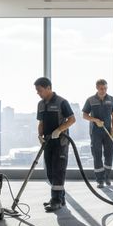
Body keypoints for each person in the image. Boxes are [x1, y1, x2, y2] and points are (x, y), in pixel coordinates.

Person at [34, 77, 76, 212]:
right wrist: (40, 136)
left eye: (40, 90)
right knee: (50, 172)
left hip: (60, 142)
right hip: (47, 142)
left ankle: (56, 199)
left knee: (58, 170)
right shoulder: (40, 104)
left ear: (48, 88)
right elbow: (40, 123)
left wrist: (59, 130)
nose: (38, 93)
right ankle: (60, 198)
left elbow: (72, 119)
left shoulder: (62, 102)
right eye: (37, 91)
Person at [82, 79, 113, 188]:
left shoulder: (111, 99)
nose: (103, 90)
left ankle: (107, 176)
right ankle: (100, 180)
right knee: (97, 155)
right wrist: (95, 120)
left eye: (105, 88)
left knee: (110, 153)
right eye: (101, 88)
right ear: (97, 88)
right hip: (95, 132)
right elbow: (84, 115)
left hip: (108, 132)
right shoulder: (90, 100)